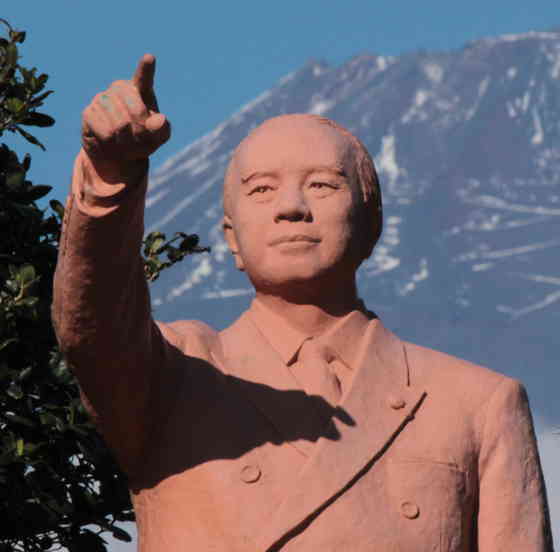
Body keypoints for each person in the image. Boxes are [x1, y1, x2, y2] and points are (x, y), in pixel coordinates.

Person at [52, 54, 553, 551]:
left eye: (322, 184)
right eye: (262, 189)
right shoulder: (174, 377)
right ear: (231, 237)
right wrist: (110, 175)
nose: (292, 207)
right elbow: (93, 321)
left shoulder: (477, 404)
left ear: (369, 221)